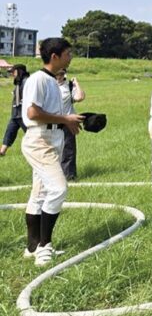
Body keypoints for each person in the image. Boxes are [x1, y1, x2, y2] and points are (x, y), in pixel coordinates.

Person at [21, 37, 84, 266]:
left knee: (38, 194)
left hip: (53, 137)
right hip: (40, 140)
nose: (71, 57)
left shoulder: (54, 82)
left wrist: (68, 122)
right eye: (68, 53)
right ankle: (44, 245)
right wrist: (64, 119)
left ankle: (32, 247)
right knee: (58, 188)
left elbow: (53, 114)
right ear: (55, 56)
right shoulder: (38, 79)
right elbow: (32, 113)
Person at [55, 69, 85, 180]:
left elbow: (80, 97)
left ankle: (69, 176)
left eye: (61, 74)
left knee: (68, 150)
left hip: (68, 122)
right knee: (53, 150)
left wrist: (76, 83)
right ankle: (54, 175)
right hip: (52, 121)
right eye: (57, 73)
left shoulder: (69, 86)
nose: (59, 76)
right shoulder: (48, 84)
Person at [1, 64, 29, 156]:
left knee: (31, 134)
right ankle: (2, 151)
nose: (12, 74)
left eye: (13, 71)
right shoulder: (19, 82)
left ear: (19, 71)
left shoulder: (27, 81)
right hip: (16, 114)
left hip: (23, 114)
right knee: (10, 131)